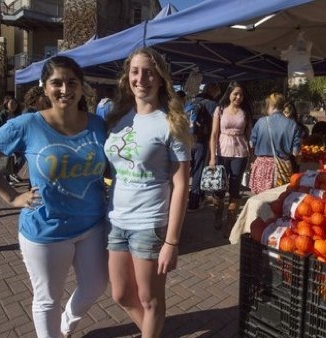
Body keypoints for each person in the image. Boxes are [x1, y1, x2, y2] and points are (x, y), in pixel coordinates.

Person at [0, 56, 108, 337]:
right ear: (45, 88)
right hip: (46, 228)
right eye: (57, 83)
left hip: (92, 225)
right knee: (47, 299)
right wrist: (11, 197)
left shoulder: (97, 124)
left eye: (72, 83)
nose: (65, 89)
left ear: (82, 88)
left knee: (95, 285)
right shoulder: (27, 124)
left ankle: (66, 324)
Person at [104, 47, 191, 338]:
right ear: (127, 76)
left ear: (161, 77)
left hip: (150, 224)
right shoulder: (117, 118)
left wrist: (172, 241)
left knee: (149, 299)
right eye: (135, 71)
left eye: (149, 71)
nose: (142, 78)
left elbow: (181, 185)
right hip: (117, 221)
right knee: (120, 294)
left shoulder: (171, 122)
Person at [208, 81, 252, 237]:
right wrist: (212, 157)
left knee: (235, 188)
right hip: (221, 152)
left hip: (240, 153)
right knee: (219, 188)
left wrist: (251, 156)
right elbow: (214, 134)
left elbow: (248, 135)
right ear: (229, 94)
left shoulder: (245, 112)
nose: (238, 97)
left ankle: (230, 223)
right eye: (235, 94)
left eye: (241, 94)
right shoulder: (219, 110)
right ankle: (218, 215)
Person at [249, 93, 302, 194]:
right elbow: (296, 152)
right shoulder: (293, 125)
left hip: (262, 167)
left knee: (261, 202)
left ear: (270, 105)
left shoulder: (260, 122)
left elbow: (251, 143)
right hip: (283, 169)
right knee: (279, 200)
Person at [187, 82, 221, 211]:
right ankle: (194, 203)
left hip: (188, 140)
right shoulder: (213, 105)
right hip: (202, 142)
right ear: (213, 92)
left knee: (185, 171)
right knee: (198, 172)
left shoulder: (192, 101)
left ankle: (180, 199)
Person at [0, 96, 25, 185]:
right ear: (6, 104)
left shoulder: (19, 115)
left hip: (17, 140)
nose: (13, 105)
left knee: (22, 156)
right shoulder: (2, 114)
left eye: (15, 103)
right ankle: (7, 179)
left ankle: (13, 172)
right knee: (6, 159)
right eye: (11, 103)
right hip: (5, 140)